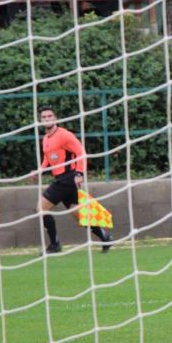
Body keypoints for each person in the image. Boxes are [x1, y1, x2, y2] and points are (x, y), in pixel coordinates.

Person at [32, 107, 112, 254]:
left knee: (41, 209)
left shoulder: (65, 135)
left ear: (55, 119)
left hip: (67, 179)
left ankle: (55, 244)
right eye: (44, 117)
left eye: (50, 116)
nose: (47, 119)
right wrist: (40, 170)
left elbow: (81, 152)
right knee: (78, 215)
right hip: (62, 180)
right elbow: (47, 157)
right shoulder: (45, 139)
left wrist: (80, 172)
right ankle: (105, 237)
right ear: (41, 121)